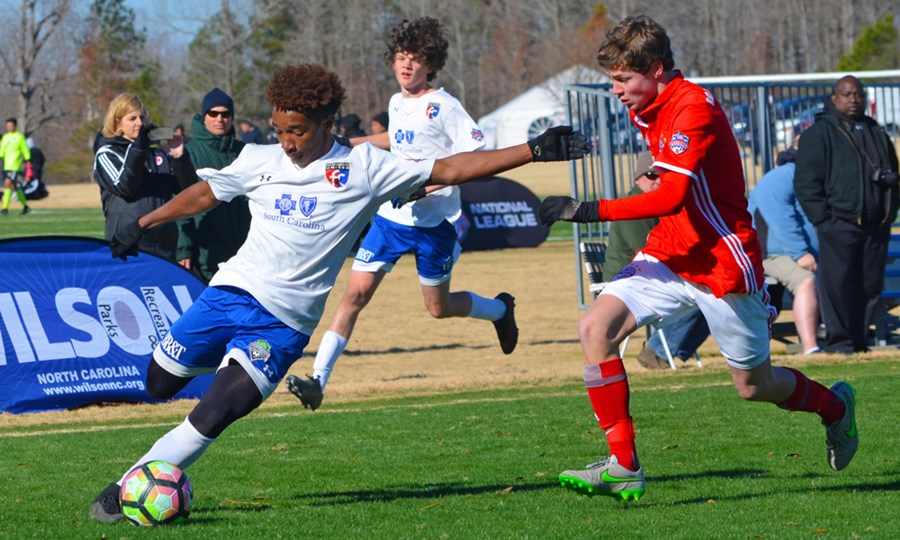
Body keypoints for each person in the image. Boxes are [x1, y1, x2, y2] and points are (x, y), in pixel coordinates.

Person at [88, 62, 587, 523]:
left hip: (282, 325)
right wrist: (145, 222)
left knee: (216, 411)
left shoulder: (366, 167)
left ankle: (124, 487)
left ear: (328, 124)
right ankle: (223, 364)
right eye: (280, 129)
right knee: (158, 384)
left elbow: (451, 170)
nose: (286, 141)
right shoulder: (259, 157)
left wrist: (534, 150)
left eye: (297, 131)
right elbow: (207, 192)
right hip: (229, 294)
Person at [539, 15, 858, 502]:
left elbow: (669, 195)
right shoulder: (647, 104)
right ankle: (624, 464)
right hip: (672, 250)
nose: (617, 91)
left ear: (657, 69)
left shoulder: (693, 108)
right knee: (595, 329)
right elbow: (671, 202)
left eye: (623, 79)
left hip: (721, 260)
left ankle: (834, 408)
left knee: (755, 386)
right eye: (613, 80)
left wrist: (586, 210)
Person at [285, 17, 518, 409]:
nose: (406, 65)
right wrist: (349, 144)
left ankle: (499, 309)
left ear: (431, 65)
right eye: (400, 57)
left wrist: (428, 186)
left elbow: (476, 157)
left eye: (415, 59)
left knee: (437, 308)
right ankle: (318, 381)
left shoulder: (445, 106)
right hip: (391, 219)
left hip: (434, 224)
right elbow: (397, 138)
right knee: (355, 294)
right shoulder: (396, 102)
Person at [794, 75, 899, 354]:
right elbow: (806, 183)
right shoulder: (820, 133)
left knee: (869, 284)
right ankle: (841, 343)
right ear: (834, 99)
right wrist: (824, 219)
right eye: (847, 94)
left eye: (858, 95)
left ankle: (860, 339)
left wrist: (889, 212)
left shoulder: (875, 131)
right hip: (838, 223)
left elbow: (893, 176)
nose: (853, 100)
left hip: (876, 224)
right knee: (838, 284)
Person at [603, 152, 710, 369]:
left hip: (649, 274)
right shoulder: (634, 205)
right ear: (637, 179)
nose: (658, 180)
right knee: (700, 294)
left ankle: (671, 352)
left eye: (663, 174)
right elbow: (645, 251)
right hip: (627, 280)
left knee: (713, 294)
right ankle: (656, 352)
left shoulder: (659, 205)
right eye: (651, 175)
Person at [93, 93, 194, 262]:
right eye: (132, 118)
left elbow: (187, 191)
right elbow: (125, 187)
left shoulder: (157, 154)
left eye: (142, 117)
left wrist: (179, 157)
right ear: (118, 124)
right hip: (128, 247)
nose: (139, 123)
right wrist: (139, 147)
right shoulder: (107, 153)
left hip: (164, 247)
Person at [749, 139, 820, 354]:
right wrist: (801, 254)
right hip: (773, 254)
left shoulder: (819, 175)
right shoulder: (782, 177)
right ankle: (810, 347)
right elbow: (780, 218)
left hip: (807, 253)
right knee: (805, 281)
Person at [176, 87, 250, 281]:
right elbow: (180, 202)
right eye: (213, 113)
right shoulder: (189, 153)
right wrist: (184, 248)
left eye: (225, 114)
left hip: (243, 250)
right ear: (204, 116)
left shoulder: (245, 151)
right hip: (205, 251)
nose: (220, 119)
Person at [0, 118, 33, 215]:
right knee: (14, 187)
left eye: (11, 125)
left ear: (15, 126)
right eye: (8, 126)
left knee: (7, 183)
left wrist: (28, 159)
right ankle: (26, 207)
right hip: (7, 166)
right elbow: (2, 151)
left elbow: (25, 149)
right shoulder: (5, 137)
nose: (9, 127)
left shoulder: (19, 137)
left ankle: (4, 209)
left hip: (15, 165)